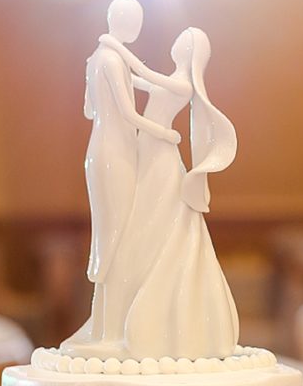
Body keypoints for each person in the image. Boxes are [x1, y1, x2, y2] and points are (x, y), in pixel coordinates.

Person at [93, 25, 240, 360]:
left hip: (160, 156)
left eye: (183, 40)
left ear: (189, 50)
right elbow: (141, 81)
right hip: (148, 151)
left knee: (154, 216)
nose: (175, 41)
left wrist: (113, 44)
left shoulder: (183, 83)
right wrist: (113, 75)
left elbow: (144, 73)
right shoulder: (170, 79)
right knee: (143, 218)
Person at [67, 0, 181, 355]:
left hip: (100, 148)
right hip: (116, 154)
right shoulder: (113, 59)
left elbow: (90, 109)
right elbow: (130, 115)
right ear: (126, 21)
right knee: (116, 236)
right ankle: (108, 329)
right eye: (137, 20)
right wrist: (165, 134)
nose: (139, 27)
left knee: (111, 235)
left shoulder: (99, 58)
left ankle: (107, 324)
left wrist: (154, 85)